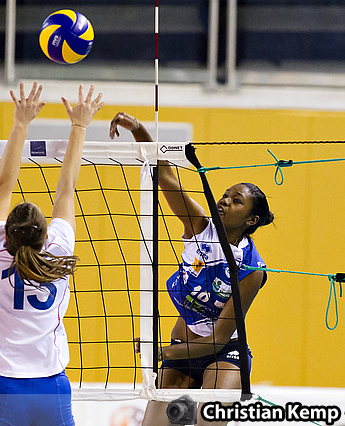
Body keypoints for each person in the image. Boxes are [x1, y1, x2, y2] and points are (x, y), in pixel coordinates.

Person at [109, 112, 274, 426]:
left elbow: (218, 338)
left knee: (208, 420)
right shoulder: (199, 227)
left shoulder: (252, 269)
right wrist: (138, 129)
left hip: (224, 354)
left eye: (236, 201)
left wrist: (160, 354)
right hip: (180, 349)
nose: (224, 201)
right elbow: (165, 175)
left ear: (251, 220)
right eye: (225, 195)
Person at [0, 82, 103, 426]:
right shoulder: (58, 251)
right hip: (52, 387)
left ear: (5, 234)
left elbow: (3, 185)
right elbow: (67, 188)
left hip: (2, 385)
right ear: (45, 234)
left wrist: (20, 123)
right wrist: (79, 125)